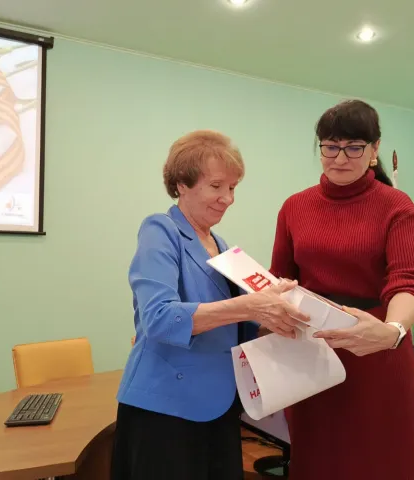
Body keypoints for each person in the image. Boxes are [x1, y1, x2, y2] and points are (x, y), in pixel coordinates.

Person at [112, 129, 309, 480]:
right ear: (181, 184)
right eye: (216, 186)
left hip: (219, 406)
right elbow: (159, 318)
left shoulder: (222, 245)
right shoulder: (160, 230)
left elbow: (238, 327)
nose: (227, 198)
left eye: (232, 188)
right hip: (166, 409)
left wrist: (280, 311)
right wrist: (252, 306)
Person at [270, 99, 414, 480]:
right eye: (330, 146)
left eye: (354, 148)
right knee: (317, 463)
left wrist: (392, 331)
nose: (340, 158)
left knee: (382, 465)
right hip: (313, 358)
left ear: (375, 149)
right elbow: (279, 280)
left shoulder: (396, 206)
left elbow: (409, 281)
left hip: (379, 354)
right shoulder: (294, 207)